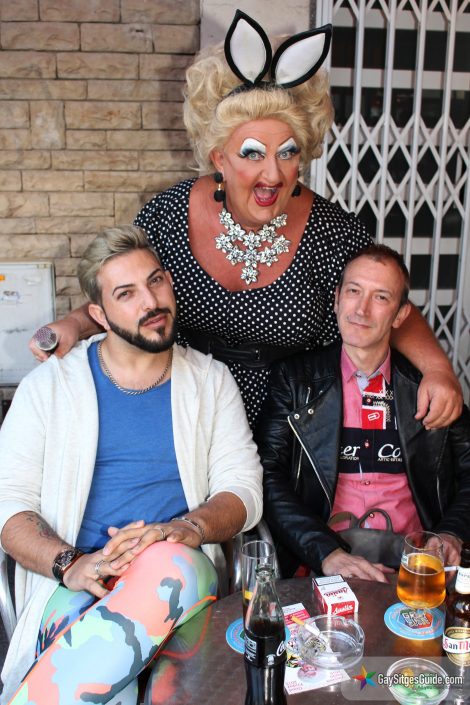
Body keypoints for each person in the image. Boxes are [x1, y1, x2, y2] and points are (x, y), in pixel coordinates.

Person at [28, 10, 462, 430]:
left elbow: (386, 304)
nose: (273, 173)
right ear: (220, 157)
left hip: (296, 426)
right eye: (252, 153)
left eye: (287, 153)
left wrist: (438, 370)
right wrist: (74, 325)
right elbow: (127, 296)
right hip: (185, 414)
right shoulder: (168, 215)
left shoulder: (334, 233)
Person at [0, 225, 263, 704]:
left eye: (155, 281)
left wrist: (186, 528)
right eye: (126, 293)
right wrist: (70, 563)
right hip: (79, 576)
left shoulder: (210, 382)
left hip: (181, 568)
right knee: (113, 692)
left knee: (166, 563)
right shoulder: (49, 388)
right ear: (98, 315)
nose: (151, 301)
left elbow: (243, 489)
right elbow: (9, 505)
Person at [255, 244, 470, 582]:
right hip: (324, 562)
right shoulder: (295, 381)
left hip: (415, 565)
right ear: (337, 299)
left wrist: (450, 533)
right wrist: (326, 552)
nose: (362, 309)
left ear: (400, 315)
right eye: (354, 291)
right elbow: (267, 475)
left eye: (381, 297)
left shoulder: (427, 388)